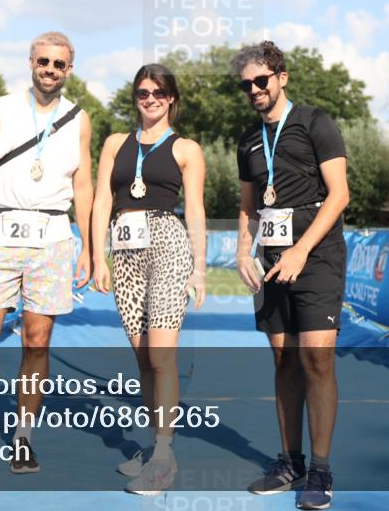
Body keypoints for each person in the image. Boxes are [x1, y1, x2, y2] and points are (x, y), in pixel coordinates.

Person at [0, 31, 93, 482]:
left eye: (59, 64)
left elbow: (83, 184)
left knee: (37, 342)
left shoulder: (79, 118)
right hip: (0, 233)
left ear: (69, 69)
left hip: (52, 237)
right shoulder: (0, 109)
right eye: (43, 61)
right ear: (31, 62)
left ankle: (23, 437)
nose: (50, 70)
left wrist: (87, 245)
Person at [233, 41, 349, 511]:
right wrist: (245, 249)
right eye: (247, 85)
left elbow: (339, 195)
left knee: (316, 359)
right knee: (283, 361)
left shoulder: (315, 123)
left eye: (262, 80)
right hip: (272, 260)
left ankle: (320, 470)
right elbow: (248, 206)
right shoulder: (247, 140)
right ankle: (290, 461)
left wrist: (302, 249)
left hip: (316, 257)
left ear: (282, 78)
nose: (255, 90)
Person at [91, 64, 207, 495]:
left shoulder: (187, 149)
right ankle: (158, 445)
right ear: (135, 97)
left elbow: (194, 209)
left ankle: (162, 455)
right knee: (143, 359)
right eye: (143, 92)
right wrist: (98, 254)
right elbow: (103, 197)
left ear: (172, 98)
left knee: (161, 356)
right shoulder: (115, 144)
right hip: (124, 251)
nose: (151, 99)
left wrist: (199, 267)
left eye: (159, 92)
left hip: (168, 245)